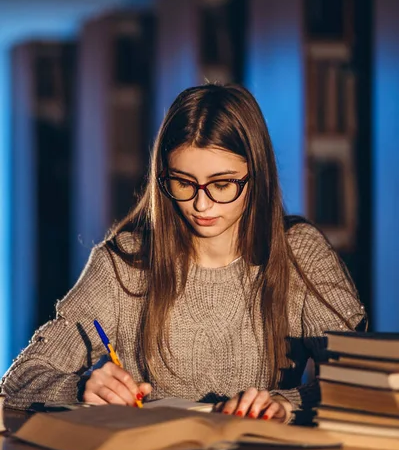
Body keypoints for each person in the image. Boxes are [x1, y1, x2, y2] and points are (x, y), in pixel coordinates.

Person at [1, 84, 366, 424]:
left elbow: (363, 382)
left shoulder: (299, 253)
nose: (201, 203)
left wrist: (288, 403)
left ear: (257, 176)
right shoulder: (125, 262)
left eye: (222, 184)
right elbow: (19, 379)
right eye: (183, 182)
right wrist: (80, 389)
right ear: (163, 177)